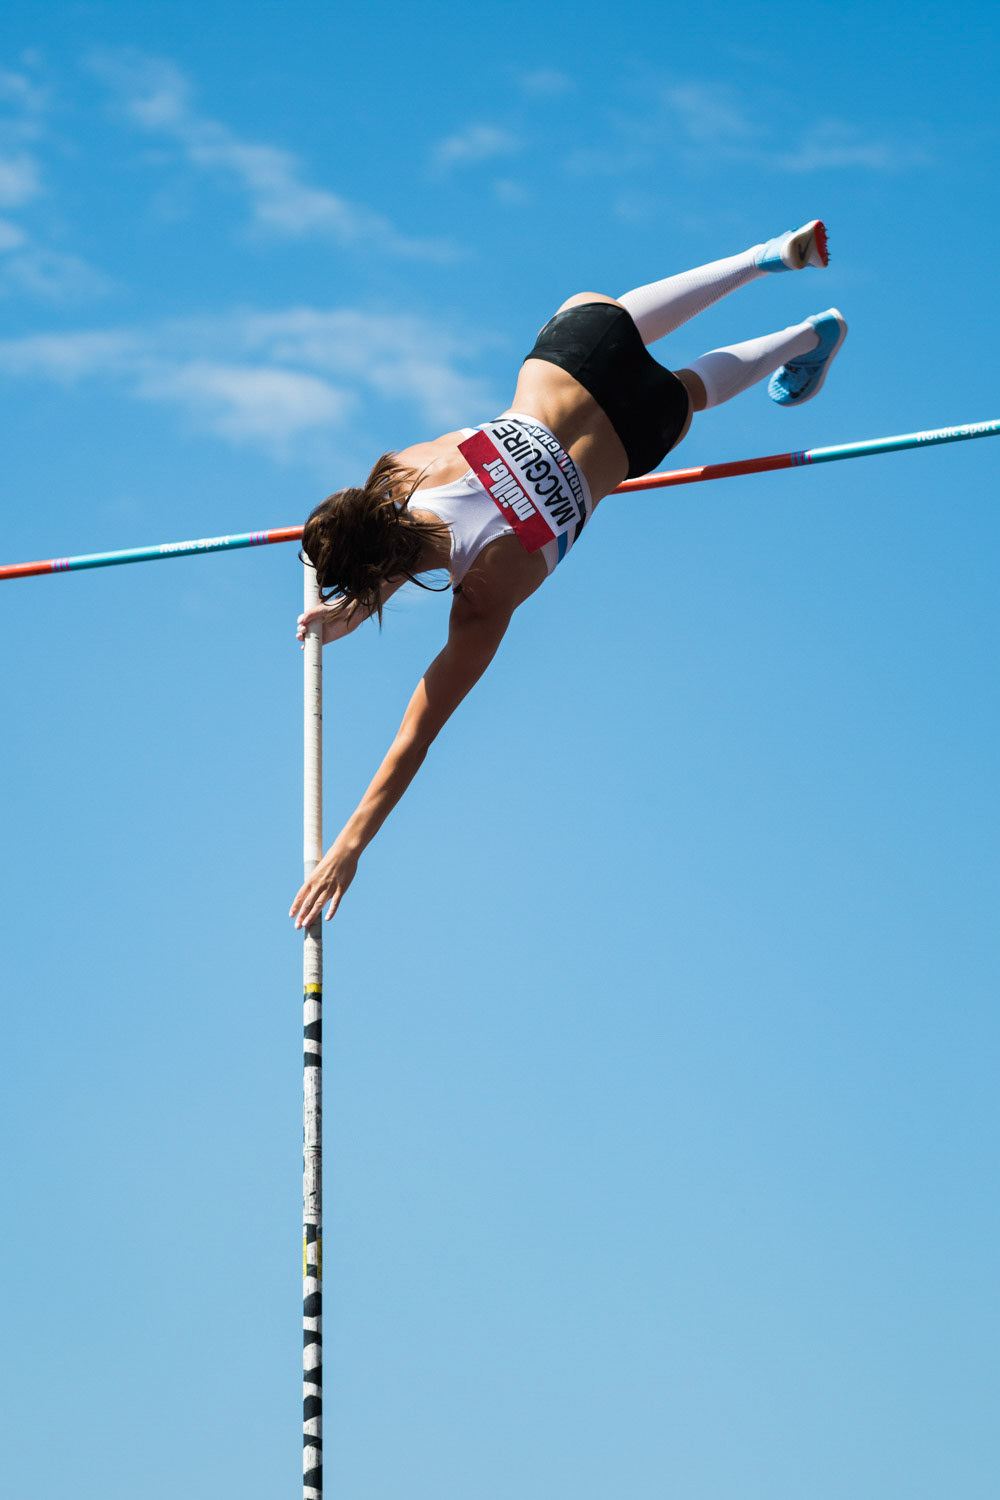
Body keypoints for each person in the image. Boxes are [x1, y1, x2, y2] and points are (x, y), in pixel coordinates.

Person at [290, 221, 845, 928]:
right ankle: (760, 259)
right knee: (620, 319)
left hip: (629, 435)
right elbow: (403, 527)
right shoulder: (410, 467)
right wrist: (361, 602)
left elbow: (414, 739)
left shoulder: (486, 592)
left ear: (375, 574)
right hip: (576, 352)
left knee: (688, 391)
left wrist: (349, 845)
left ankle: (805, 338)